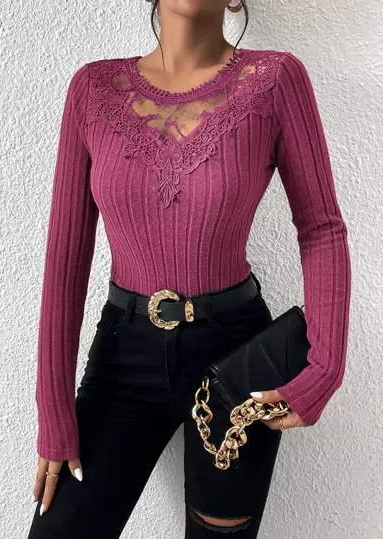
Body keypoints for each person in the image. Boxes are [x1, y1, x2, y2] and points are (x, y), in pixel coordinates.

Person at [27, 0, 351, 537]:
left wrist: (326, 367)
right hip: (121, 361)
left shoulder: (275, 80)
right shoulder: (93, 90)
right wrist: (53, 411)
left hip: (237, 364)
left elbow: (322, 228)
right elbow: (65, 257)